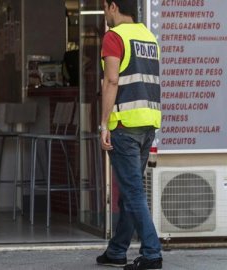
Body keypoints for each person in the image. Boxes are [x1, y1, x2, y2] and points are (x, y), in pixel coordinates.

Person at [96, 0, 163, 270]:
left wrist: (104, 124)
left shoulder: (114, 37)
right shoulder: (148, 36)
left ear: (113, 6)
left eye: (104, 8)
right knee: (128, 191)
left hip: (124, 125)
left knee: (133, 191)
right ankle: (116, 251)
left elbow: (111, 80)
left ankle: (152, 253)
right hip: (148, 123)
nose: (104, 14)